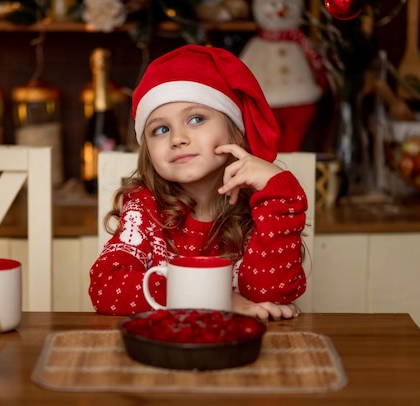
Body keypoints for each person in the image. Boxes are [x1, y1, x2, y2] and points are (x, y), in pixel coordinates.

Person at [88, 44, 308, 321]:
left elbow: (269, 296)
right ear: (148, 151)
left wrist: (280, 196)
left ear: (236, 131)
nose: (178, 138)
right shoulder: (144, 209)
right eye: (161, 129)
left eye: (196, 119)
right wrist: (216, 300)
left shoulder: (261, 208)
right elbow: (106, 287)